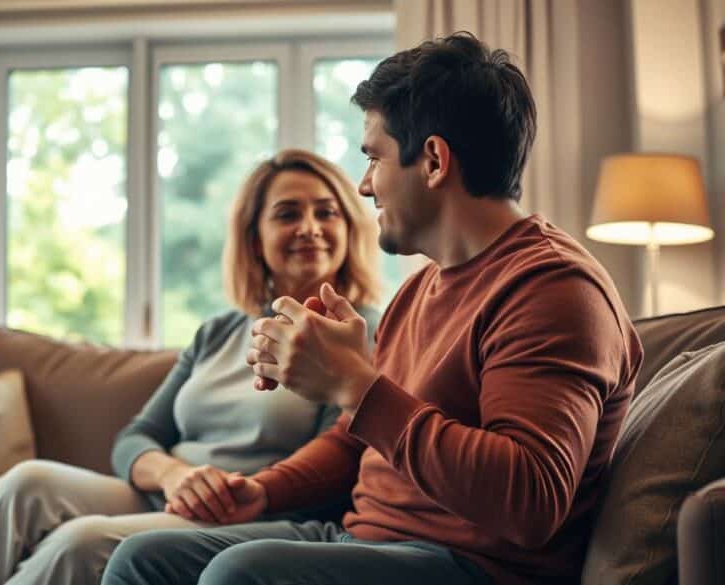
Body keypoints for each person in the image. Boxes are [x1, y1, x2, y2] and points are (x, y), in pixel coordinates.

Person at [101, 32, 643, 585]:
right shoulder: (421, 286)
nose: (364, 186)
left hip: (474, 567)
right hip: (366, 539)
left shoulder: (552, 289)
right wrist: (264, 491)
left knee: (242, 573)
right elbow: (353, 440)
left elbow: (531, 499)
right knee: (143, 558)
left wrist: (355, 386)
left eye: (374, 158)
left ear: (433, 160)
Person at [0, 148, 383, 585]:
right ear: (254, 240)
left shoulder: (362, 330)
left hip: (250, 510)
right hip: (168, 490)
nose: (310, 227)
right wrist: (174, 475)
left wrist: (222, 492)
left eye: (327, 212)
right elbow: (135, 438)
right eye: (287, 213)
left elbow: (338, 458)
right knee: (28, 481)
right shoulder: (218, 332)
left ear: (349, 228)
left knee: (80, 541)